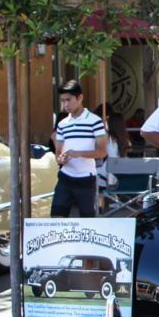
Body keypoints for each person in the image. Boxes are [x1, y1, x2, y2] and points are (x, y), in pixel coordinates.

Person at [51, 80, 107, 217]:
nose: (66, 105)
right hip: (65, 176)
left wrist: (78, 153)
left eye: (68, 100)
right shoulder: (62, 124)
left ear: (80, 98)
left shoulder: (95, 121)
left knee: (87, 221)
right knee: (56, 217)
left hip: (86, 178)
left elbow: (102, 152)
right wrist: (60, 159)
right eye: (63, 101)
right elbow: (58, 152)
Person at [98, 109, 131, 208]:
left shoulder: (107, 136)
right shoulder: (124, 138)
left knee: (91, 173)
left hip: (109, 173)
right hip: (122, 172)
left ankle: (100, 203)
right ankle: (114, 198)